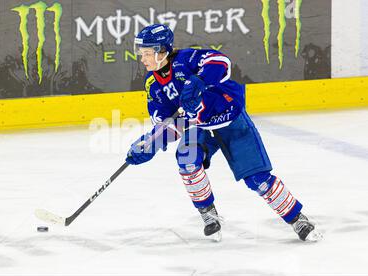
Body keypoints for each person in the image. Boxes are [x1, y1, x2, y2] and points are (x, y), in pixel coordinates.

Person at [126, 24, 322, 242]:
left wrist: (199, 81)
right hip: (198, 127)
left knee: (258, 179)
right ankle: (209, 215)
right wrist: (151, 143)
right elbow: (169, 123)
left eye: (146, 53)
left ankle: (297, 219)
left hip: (230, 119)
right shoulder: (153, 85)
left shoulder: (187, 59)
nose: (142, 59)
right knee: (187, 160)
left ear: (162, 51)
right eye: (141, 53)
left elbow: (221, 62)